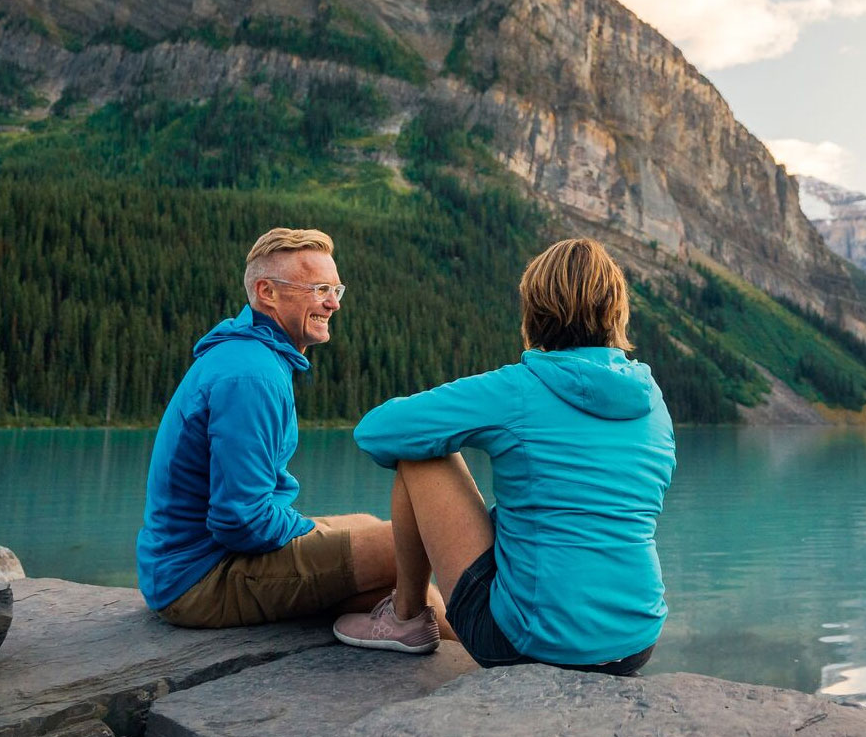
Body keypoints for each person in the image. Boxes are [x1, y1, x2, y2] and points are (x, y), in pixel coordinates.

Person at [333, 238, 675, 672]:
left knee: (421, 456)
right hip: (636, 642)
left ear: (536, 311)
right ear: (616, 311)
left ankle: (407, 618)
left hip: (535, 646)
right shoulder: (652, 400)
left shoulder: (519, 388)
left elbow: (377, 431)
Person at [137, 227, 430, 630]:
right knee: (407, 545)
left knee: (365, 524)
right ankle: (456, 648)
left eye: (336, 290)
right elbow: (240, 521)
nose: (333, 304)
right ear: (267, 292)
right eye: (320, 289)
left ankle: (411, 629)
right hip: (199, 580)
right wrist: (309, 531)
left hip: (190, 566)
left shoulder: (252, 355)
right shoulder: (251, 376)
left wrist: (317, 537)